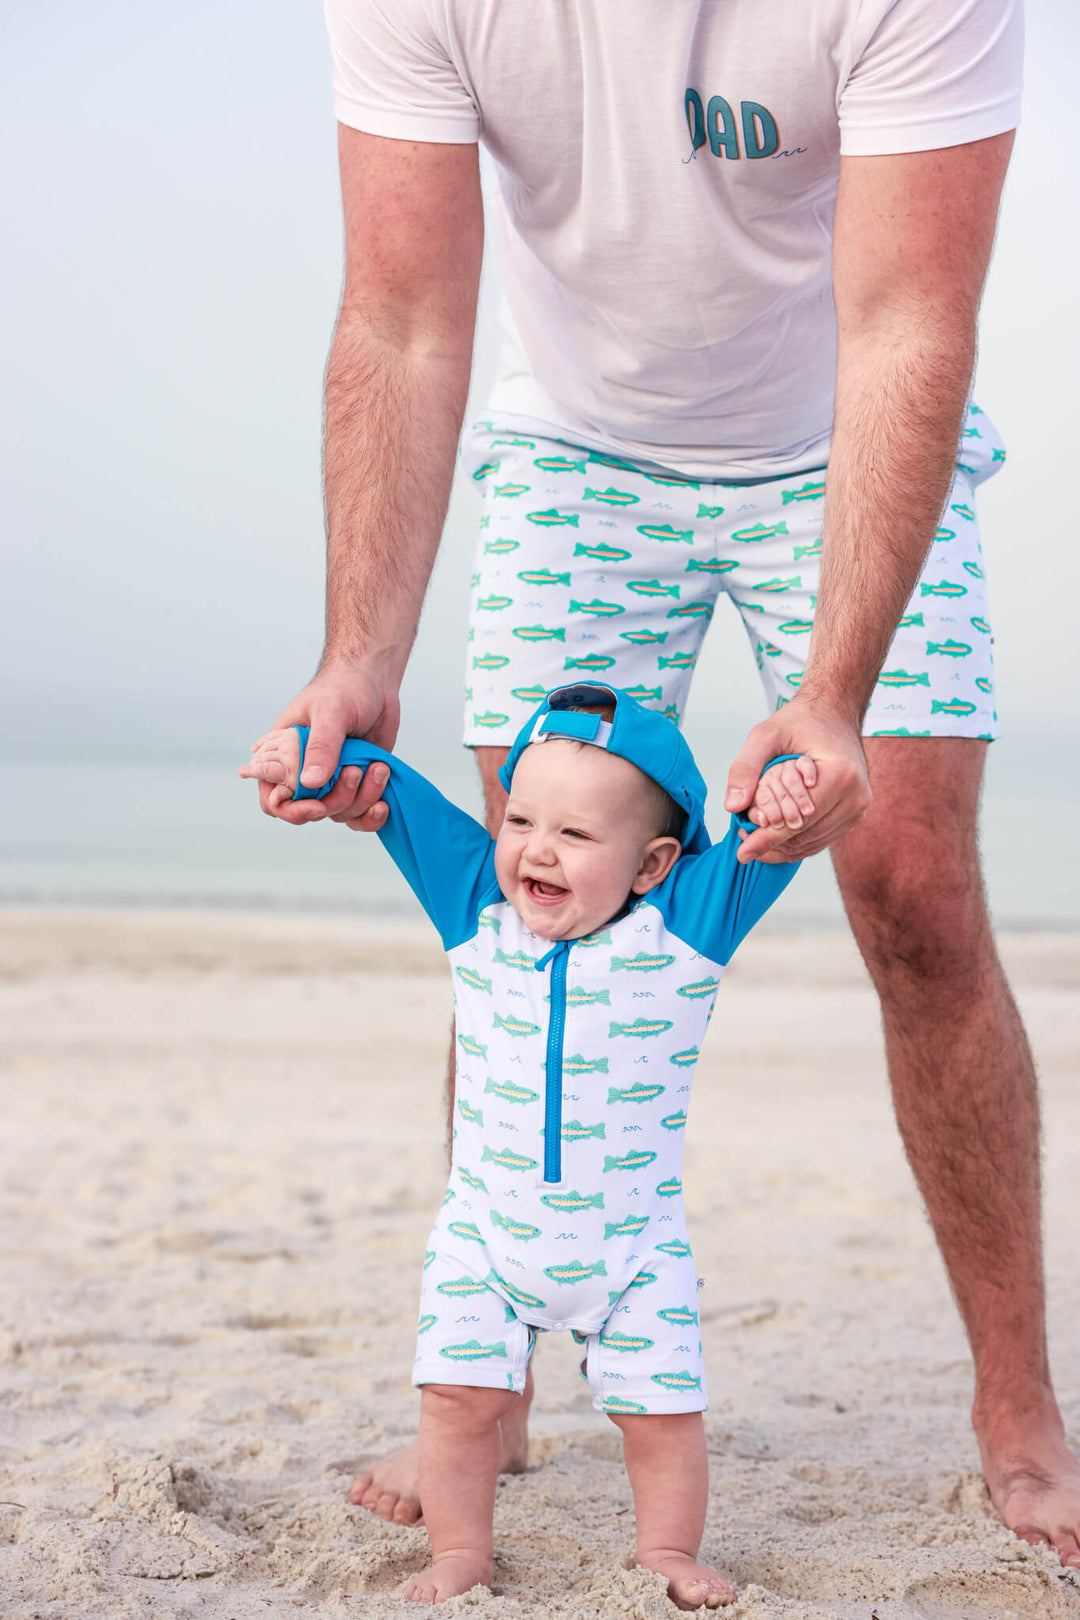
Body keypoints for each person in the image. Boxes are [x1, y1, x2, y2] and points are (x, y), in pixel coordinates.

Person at [259, 0, 1080, 1569]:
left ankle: (1019, 1405)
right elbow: (403, 316)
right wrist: (360, 650)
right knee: (530, 888)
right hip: (579, 449)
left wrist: (829, 696)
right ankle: (486, 1393)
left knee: (910, 880)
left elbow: (911, 320)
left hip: (843, 442)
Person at [241, 684, 812, 1605]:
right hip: (484, 1239)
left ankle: (665, 1550)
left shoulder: (687, 932)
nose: (535, 850)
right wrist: (308, 756)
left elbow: (773, 830)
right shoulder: (477, 909)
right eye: (521, 819)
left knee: (661, 1415)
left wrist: (793, 785)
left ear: (653, 862)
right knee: (456, 1405)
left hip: (634, 1250)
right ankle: (461, 1554)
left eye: (577, 837)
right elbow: (396, 794)